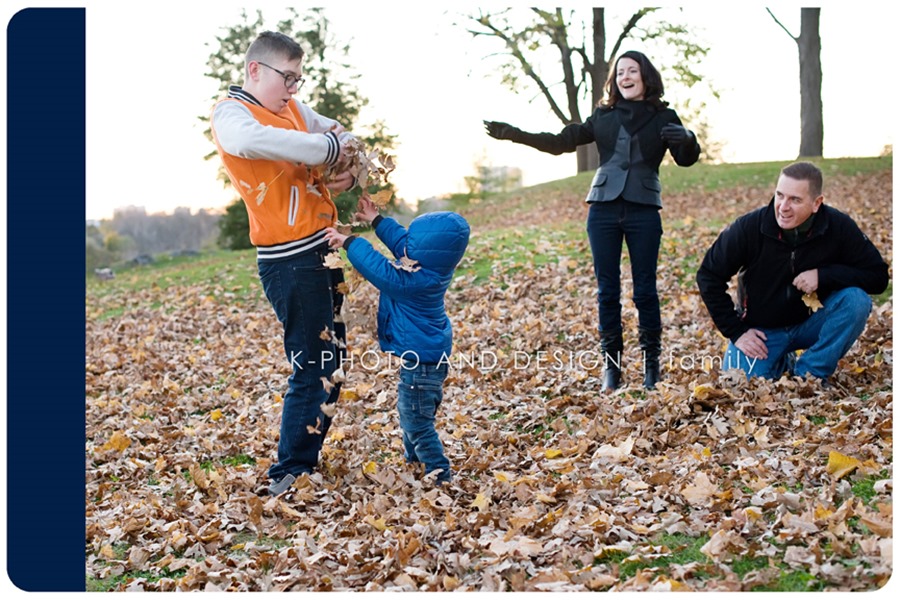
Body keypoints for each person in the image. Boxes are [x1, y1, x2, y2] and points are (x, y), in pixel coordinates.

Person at [484, 50, 701, 391]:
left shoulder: (664, 116)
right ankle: (611, 369)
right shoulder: (602, 116)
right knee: (607, 290)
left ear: (646, 76)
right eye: (619, 72)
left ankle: (651, 367)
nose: (625, 77)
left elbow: (685, 159)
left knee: (645, 290)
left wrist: (688, 139)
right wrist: (514, 133)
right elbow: (559, 143)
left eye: (632, 71)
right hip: (602, 209)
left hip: (644, 209)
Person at [210, 31, 357, 496]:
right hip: (289, 260)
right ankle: (289, 473)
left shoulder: (293, 109)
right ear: (255, 70)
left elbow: (339, 133)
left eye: (298, 79)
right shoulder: (232, 115)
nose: (293, 90)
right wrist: (327, 149)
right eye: (286, 78)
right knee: (313, 363)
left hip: (322, 247)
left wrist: (348, 160)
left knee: (332, 362)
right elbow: (258, 143)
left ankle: (301, 465)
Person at [696, 161, 889, 383]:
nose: (783, 207)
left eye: (795, 200)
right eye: (780, 195)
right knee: (738, 383)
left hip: (813, 322)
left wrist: (823, 275)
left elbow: (878, 277)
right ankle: (781, 359)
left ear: (817, 203)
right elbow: (708, 275)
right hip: (762, 332)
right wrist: (737, 331)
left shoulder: (838, 226)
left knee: (856, 301)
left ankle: (809, 374)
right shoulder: (749, 227)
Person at [323, 196, 470, 486]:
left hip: (422, 364)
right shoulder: (433, 265)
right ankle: (414, 463)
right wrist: (376, 220)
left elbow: (380, 270)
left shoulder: (414, 281)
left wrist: (349, 242)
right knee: (413, 415)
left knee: (416, 420)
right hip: (428, 356)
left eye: (413, 242)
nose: (407, 245)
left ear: (424, 251)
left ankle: (439, 472)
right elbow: (402, 243)